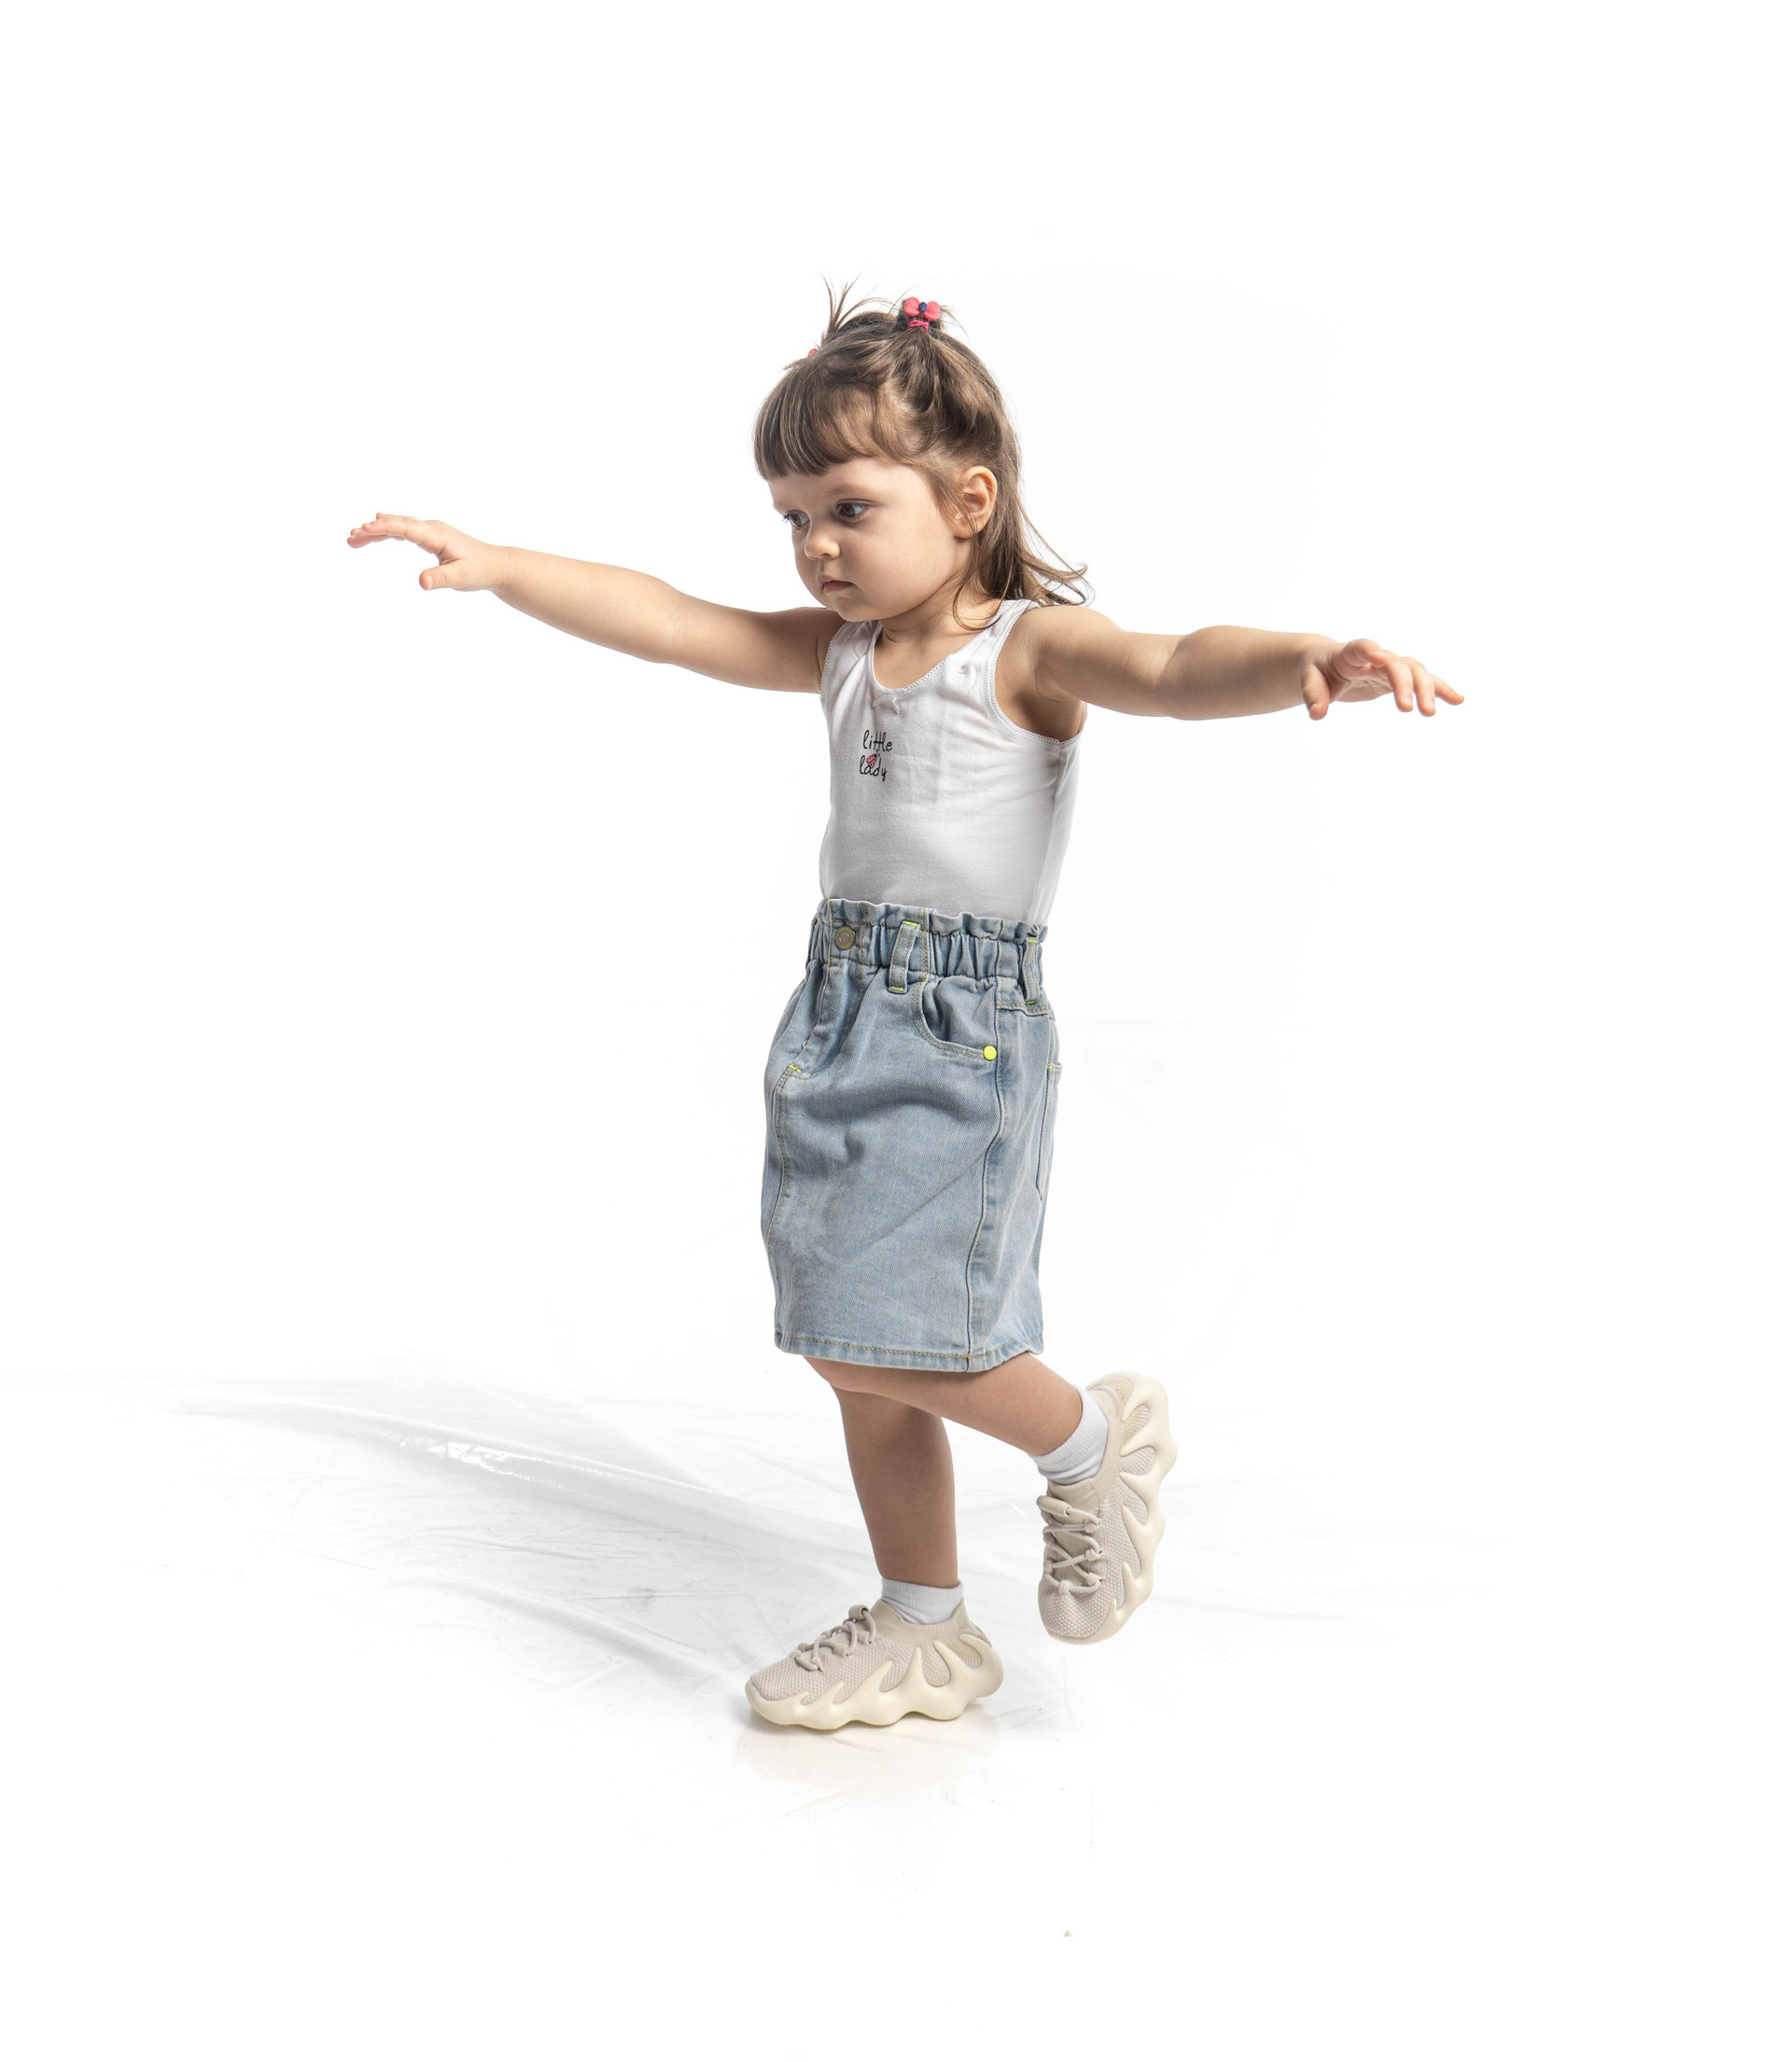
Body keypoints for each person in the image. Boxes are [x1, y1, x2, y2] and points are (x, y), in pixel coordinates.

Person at [348, 288, 1463, 1731]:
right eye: (793, 517)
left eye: (850, 509)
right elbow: (672, 621)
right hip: (835, 1016)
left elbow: (1176, 665)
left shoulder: (1030, 651)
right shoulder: (839, 653)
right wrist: (506, 566)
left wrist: (1303, 659)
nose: (816, 545)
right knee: (853, 1350)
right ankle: (924, 1625)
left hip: (960, 1034)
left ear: (967, 503)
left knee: (900, 1338)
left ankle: (1090, 1442)